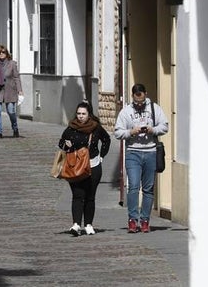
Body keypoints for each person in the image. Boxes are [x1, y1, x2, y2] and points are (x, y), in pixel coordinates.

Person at [113, 83, 169, 233]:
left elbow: (165, 126)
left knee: (148, 189)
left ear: (145, 94)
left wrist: (152, 130)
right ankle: (132, 220)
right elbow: (117, 132)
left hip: (151, 152)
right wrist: (131, 132)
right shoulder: (126, 111)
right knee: (133, 186)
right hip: (133, 153)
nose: (139, 104)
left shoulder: (154, 108)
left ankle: (145, 220)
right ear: (132, 97)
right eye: (137, 102)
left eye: (142, 101)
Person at [58, 101, 111, 235]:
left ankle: (88, 224)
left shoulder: (96, 127)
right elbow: (61, 143)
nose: (80, 116)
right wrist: (66, 145)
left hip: (93, 166)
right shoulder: (71, 128)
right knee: (77, 195)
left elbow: (106, 140)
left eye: (83, 114)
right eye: (79, 113)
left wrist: (101, 156)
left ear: (89, 115)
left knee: (90, 196)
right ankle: (76, 224)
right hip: (75, 166)